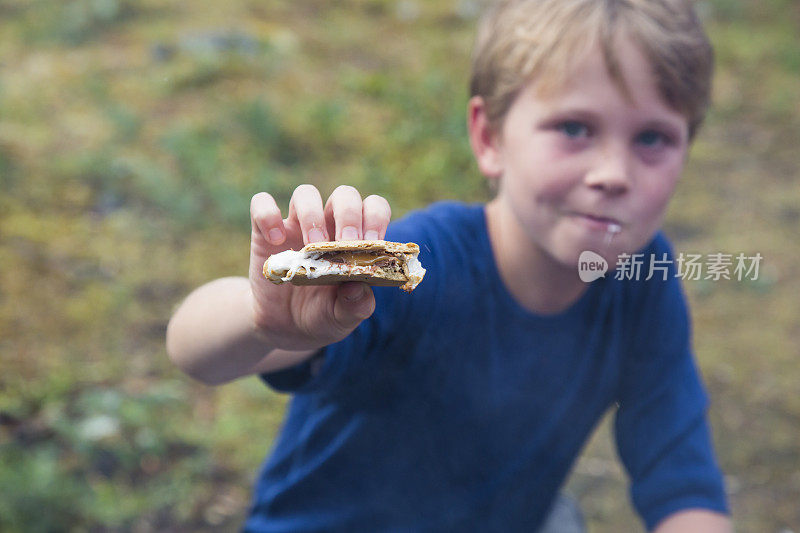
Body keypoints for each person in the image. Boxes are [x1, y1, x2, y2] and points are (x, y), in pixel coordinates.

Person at [166, 0, 732, 530]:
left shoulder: (642, 277)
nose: (614, 172)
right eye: (574, 128)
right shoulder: (424, 265)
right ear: (489, 137)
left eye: (653, 138)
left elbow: (681, 478)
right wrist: (264, 317)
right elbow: (194, 350)